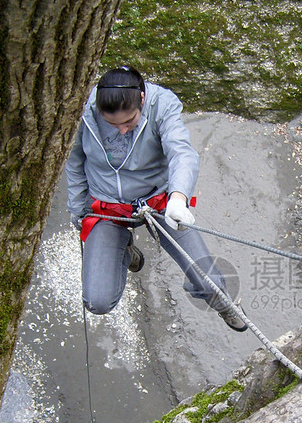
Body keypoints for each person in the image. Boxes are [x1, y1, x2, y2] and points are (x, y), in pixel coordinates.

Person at [64, 65, 247, 331]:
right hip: (106, 207)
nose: (122, 130)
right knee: (97, 302)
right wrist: (78, 208)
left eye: (129, 121)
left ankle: (224, 305)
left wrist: (178, 197)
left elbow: (181, 153)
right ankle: (124, 251)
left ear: (141, 100)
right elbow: (74, 160)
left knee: (210, 284)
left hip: (158, 201)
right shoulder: (83, 110)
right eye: (112, 124)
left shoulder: (162, 104)